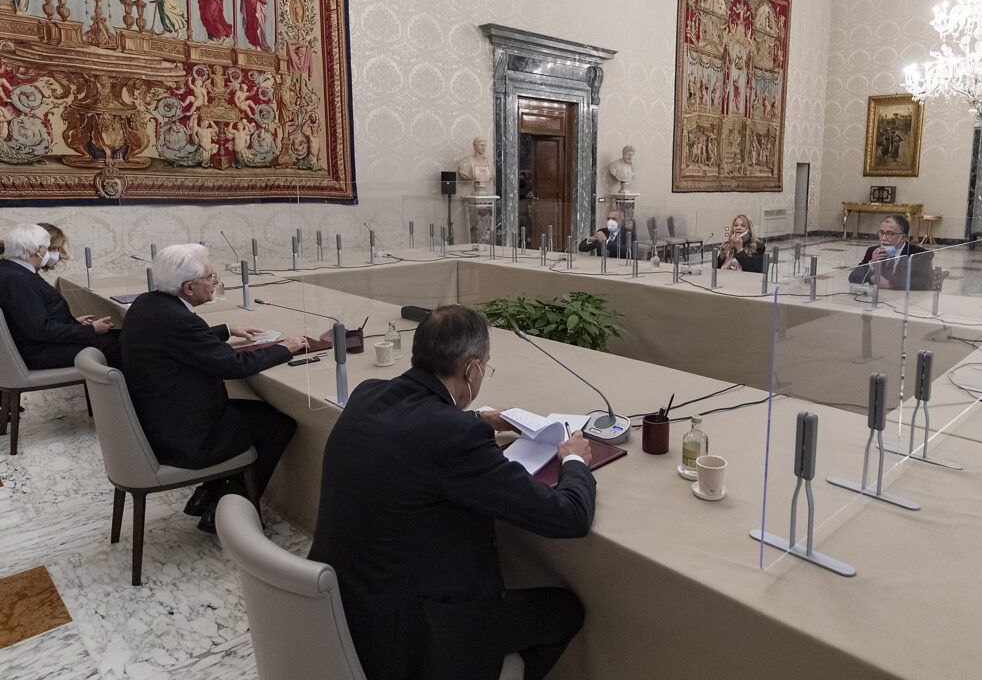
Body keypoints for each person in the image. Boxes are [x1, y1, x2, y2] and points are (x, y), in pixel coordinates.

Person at [308, 305, 597, 680]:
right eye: (485, 368)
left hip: (345, 609)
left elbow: (416, 429)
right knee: (564, 611)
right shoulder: (454, 438)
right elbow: (570, 516)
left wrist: (480, 418)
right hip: (410, 639)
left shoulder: (367, 395)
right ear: (472, 369)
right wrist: (574, 461)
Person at [120, 244, 308, 533]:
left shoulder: (148, 303)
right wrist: (286, 348)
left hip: (159, 418)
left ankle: (206, 496)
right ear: (189, 287)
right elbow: (234, 366)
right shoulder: (179, 319)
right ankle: (233, 512)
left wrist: (224, 330)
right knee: (277, 424)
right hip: (184, 435)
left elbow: (175, 340)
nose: (216, 281)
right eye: (210, 276)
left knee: (252, 415)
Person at [0, 223, 120, 369]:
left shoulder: (12, 270)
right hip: (40, 352)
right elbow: (40, 330)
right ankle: (124, 391)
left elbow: (29, 317)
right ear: (39, 250)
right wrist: (90, 329)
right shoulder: (17, 279)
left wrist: (71, 322)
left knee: (120, 337)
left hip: (36, 346)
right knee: (123, 343)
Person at [848, 214, 933, 290]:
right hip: (875, 301)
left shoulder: (920, 254)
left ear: (903, 238)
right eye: (881, 233)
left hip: (904, 302)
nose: (884, 238)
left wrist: (890, 284)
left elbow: (925, 282)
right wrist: (872, 264)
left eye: (890, 234)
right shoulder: (872, 251)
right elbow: (853, 278)